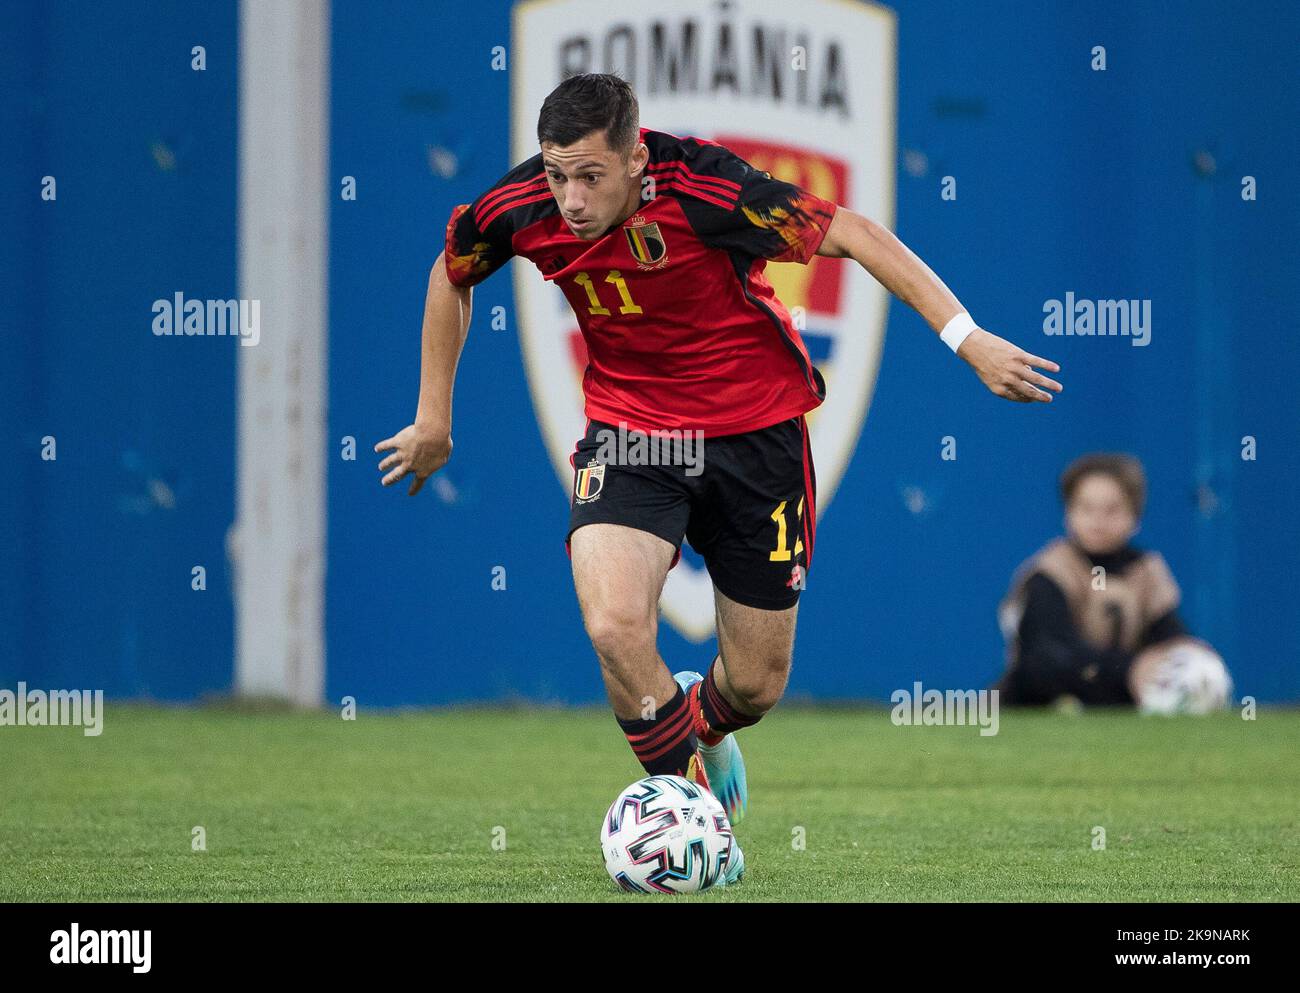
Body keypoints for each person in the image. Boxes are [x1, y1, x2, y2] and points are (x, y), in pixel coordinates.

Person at [376, 73, 1062, 885]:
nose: (569, 197)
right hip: (632, 438)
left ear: (636, 157)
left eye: (590, 175)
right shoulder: (520, 205)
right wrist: (433, 418)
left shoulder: (709, 187)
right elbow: (452, 270)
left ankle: (704, 719)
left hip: (755, 439)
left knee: (758, 682)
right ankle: (700, 824)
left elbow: (856, 232)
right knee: (614, 626)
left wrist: (968, 337)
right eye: (557, 173)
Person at [996, 453, 1231, 712]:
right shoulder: (1050, 572)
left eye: (1112, 510)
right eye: (1085, 508)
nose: (1098, 521)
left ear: (1135, 517)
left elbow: (1168, 634)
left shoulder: (1146, 570)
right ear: (1067, 514)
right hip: (1038, 708)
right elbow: (1046, 661)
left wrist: (1188, 661)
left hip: (1118, 712)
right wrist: (1129, 670)